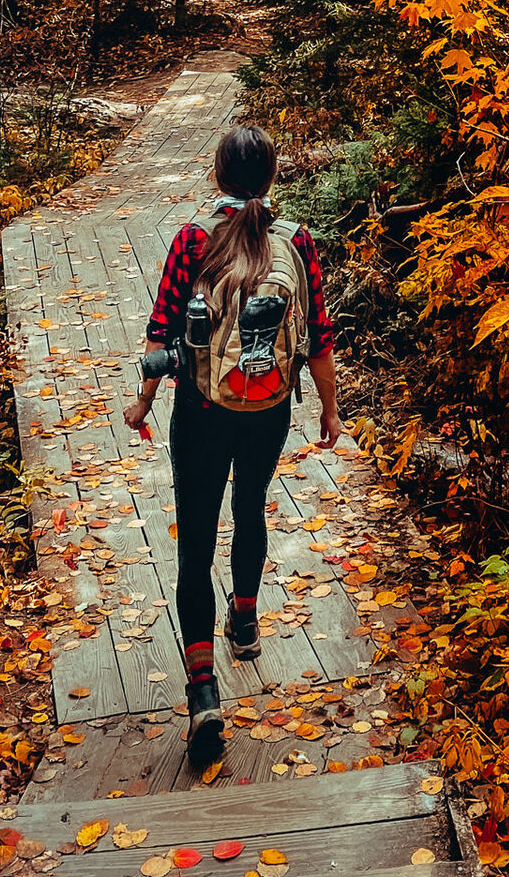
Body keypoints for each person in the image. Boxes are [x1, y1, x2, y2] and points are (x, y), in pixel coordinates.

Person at [123, 125, 340, 765]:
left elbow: (160, 329)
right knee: (250, 507)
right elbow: (318, 334)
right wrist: (329, 407)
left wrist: (144, 399)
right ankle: (244, 620)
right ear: (271, 176)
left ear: (217, 174)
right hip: (267, 407)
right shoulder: (295, 240)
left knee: (195, 541)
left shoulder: (193, 240)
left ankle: (203, 694)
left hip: (201, 408)